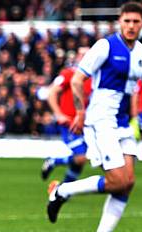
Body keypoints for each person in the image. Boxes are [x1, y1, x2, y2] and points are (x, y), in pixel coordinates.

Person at [46, 2, 142, 232]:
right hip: (101, 121)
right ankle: (61, 191)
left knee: (127, 183)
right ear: (120, 21)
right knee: (117, 180)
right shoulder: (105, 46)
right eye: (127, 21)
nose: (131, 26)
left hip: (123, 125)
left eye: (136, 22)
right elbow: (77, 79)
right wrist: (81, 110)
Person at [41, 47, 92, 183]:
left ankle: (64, 190)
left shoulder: (93, 78)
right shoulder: (69, 73)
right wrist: (58, 114)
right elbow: (51, 93)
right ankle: (54, 161)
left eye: (87, 55)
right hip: (69, 123)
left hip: (86, 124)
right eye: (81, 55)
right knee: (82, 156)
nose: (83, 57)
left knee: (82, 160)